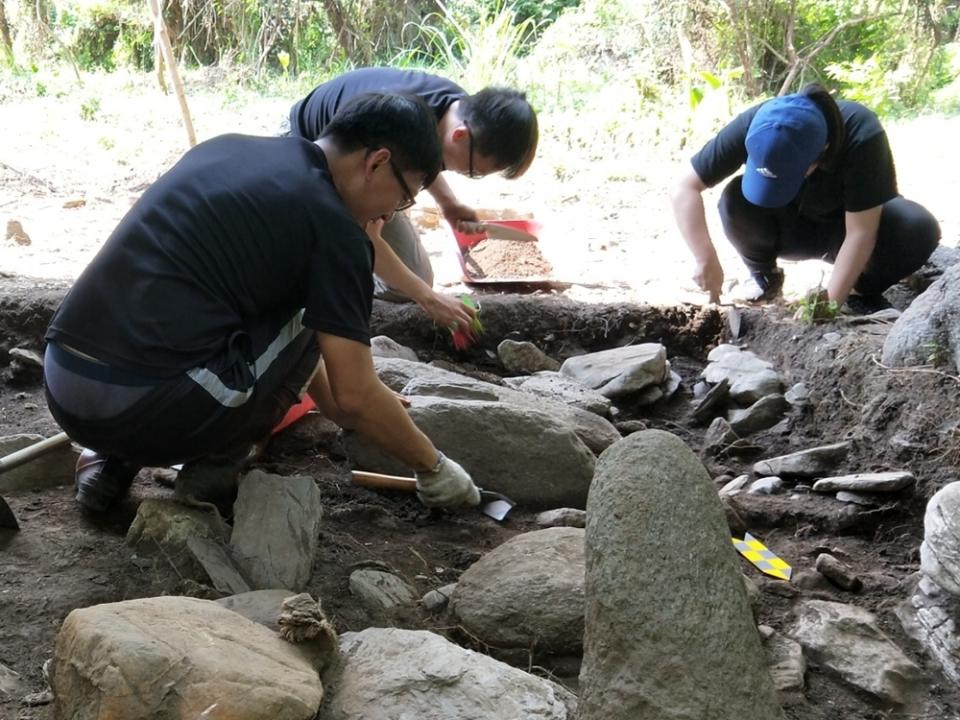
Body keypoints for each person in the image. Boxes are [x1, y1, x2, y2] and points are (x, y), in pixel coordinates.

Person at [43, 92, 481, 513]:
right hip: (141, 410)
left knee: (199, 319)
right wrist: (434, 467)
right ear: (377, 162)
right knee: (318, 309)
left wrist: (358, 403)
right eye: (404, 197)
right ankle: (213, 469)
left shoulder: (228, 148)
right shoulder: (335, 230)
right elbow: (350, 397)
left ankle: (108, 462)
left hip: (63, 379)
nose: (390, 214)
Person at [285, 66, 539, 327]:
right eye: (473, 172)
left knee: (414, 275)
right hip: (304, 157)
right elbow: (369, 236)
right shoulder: (397, 127)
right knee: (349, 260)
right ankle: (324, 276)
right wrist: (430, 300)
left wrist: (449, 204)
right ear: (460, 135)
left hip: (368, 168)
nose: (466, 174)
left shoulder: (460, 111)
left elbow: (418, 166)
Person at [671, 83, 940, 313]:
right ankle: (764, 276)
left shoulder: (861, 133)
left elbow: (861, 233)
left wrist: (828, 307)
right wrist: (705, 258)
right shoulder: (759, 121)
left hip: (845, 229)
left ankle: (859, 291)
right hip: (793, 225)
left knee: (917, 227)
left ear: (822, 151)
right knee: (734, 199)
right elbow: (684, 187)